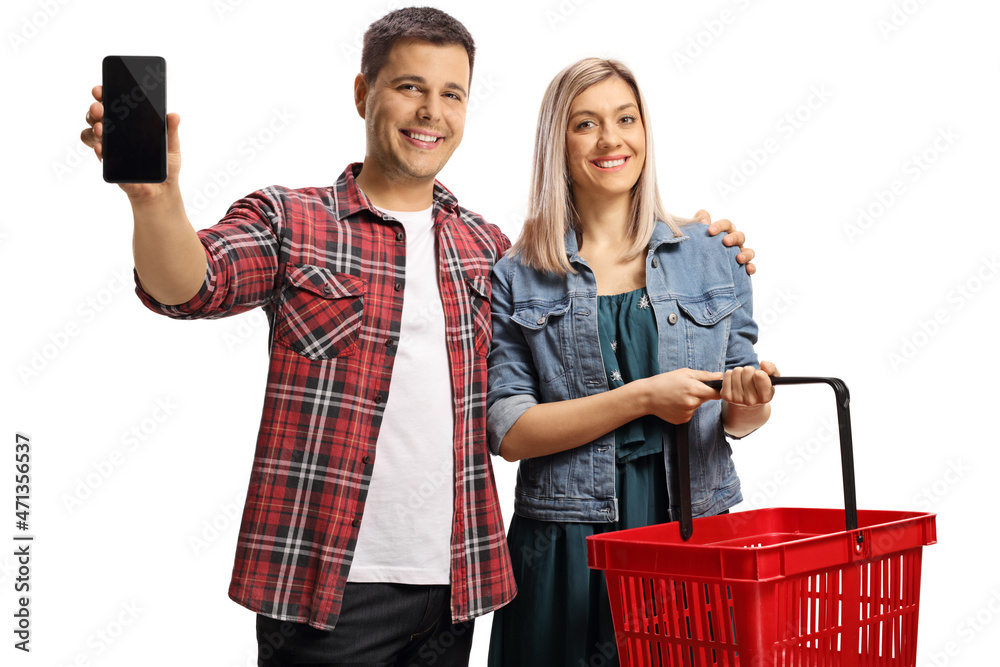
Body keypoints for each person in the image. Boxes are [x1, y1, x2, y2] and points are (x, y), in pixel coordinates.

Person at [80, 8, 755, 665]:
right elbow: (189, 285)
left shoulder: (484, 248)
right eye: (410, 88)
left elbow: (590, 291)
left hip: (455, 589)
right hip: (326, 589)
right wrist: (154, 198)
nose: (431, 111)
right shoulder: (293, 219)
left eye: (450, 94)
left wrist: (697, 243)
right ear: (363, 93)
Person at [485, 57, 778, 667]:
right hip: (565, 540)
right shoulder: (518, 275)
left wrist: (750, 402)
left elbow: (736, 417)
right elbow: (510, 432)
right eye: (585, 124)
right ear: (556, 144)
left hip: (690, 526)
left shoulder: (711, 253)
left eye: (626, 118)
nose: (611, 138)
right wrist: (644, 398)